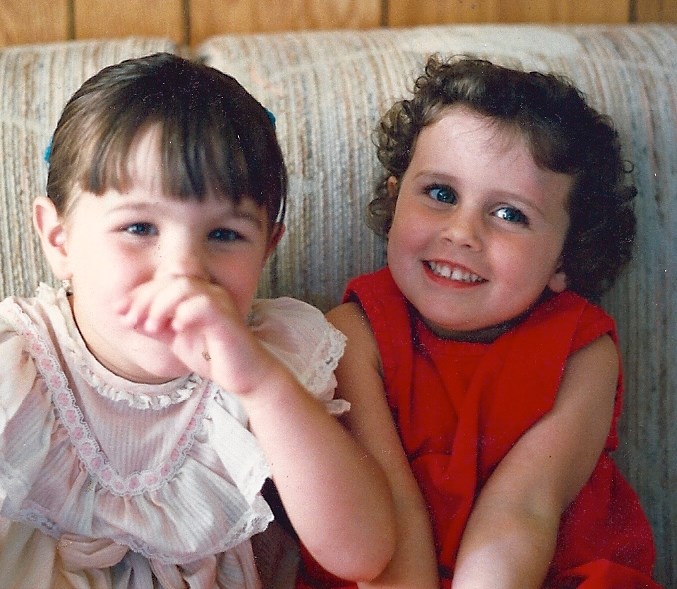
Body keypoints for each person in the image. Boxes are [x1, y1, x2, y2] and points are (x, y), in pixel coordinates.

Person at [0, 52, 396, 588]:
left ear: (267, 250)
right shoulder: (16, 366)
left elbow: (363, 555)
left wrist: (261, 384)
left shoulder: (272, 361)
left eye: (225, 235)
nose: (184, 270)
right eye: (139, 228)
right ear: (58, 239)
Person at [296, 56, 660, 588]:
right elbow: (392, 508)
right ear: (395, 200)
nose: (462, 233)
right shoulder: (354, 334)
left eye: (510, 214)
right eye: (440, 194)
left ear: (564, 259)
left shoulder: (583, 350)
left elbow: (525, 507)